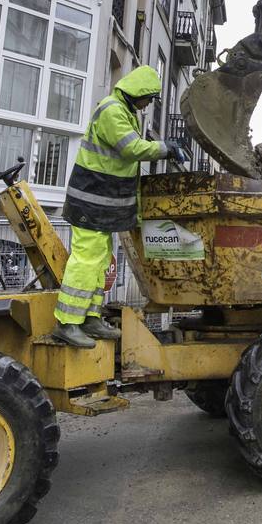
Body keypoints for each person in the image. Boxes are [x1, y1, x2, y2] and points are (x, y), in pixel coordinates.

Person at [53, 66, 188, 347]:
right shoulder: (112, 110)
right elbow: (132, 149)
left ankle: (89, 317)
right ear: (137, 92)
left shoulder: (124, 112)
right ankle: (67, 323)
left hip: (101, 201)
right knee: (86, 261)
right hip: (91, 199)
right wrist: (166, 148)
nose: (148, 104)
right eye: (148, 98)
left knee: (100, 260)